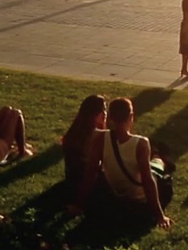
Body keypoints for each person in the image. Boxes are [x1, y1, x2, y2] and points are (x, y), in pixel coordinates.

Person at [69, 97, 173, 230]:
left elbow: (90, 172)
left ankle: (159, 157)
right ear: (131, 116)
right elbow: (148, 181)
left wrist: (78, 204)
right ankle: (160, 158)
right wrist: (160, 216)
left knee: (153, 164)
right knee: (157, 166)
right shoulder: (141, 142)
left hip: (119, 196)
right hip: (141, 199)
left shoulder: (100, 138)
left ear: (110, 116)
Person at [61, 94, 107, 188]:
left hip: (72, 179)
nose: (106, 113)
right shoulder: (98, 136)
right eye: (104, 110)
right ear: (98, 114)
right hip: (89, 183)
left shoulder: (74, 132)